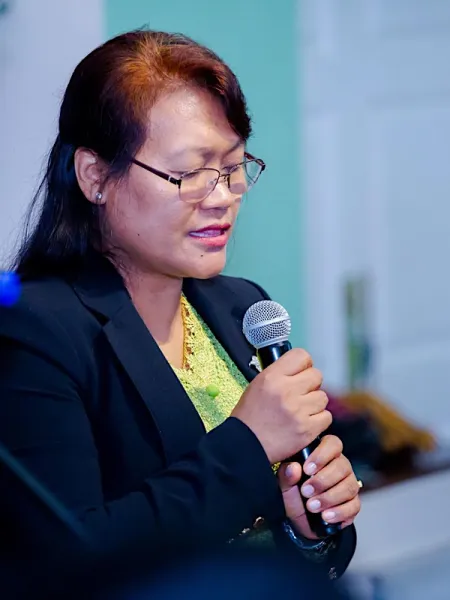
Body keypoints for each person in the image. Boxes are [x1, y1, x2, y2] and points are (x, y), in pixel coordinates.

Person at [0, 30, 360, 588]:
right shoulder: (34, 331)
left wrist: (307, 530)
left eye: (234, 167)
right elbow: (65, 559)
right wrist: (249, 445)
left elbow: (293, 545)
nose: (222, 196)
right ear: (95, 176)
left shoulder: (242, 305)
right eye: (190, 173)